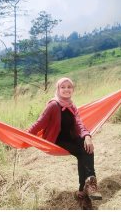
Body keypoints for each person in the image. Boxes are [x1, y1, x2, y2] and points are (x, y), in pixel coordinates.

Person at [27, 77, 101, 210]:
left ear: (72, 89)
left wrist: (87, 136)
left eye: (69, 87)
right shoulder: (53, 105)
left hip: (70, 137)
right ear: (58, 89)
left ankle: (84, 189)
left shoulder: (72, 106)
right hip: (57, 140)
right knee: (82, 151)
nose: (66, 89)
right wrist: (24, 136)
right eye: (63, 87)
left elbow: (79, 124)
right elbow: (40, 123)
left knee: (87, 147)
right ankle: (89, 185)